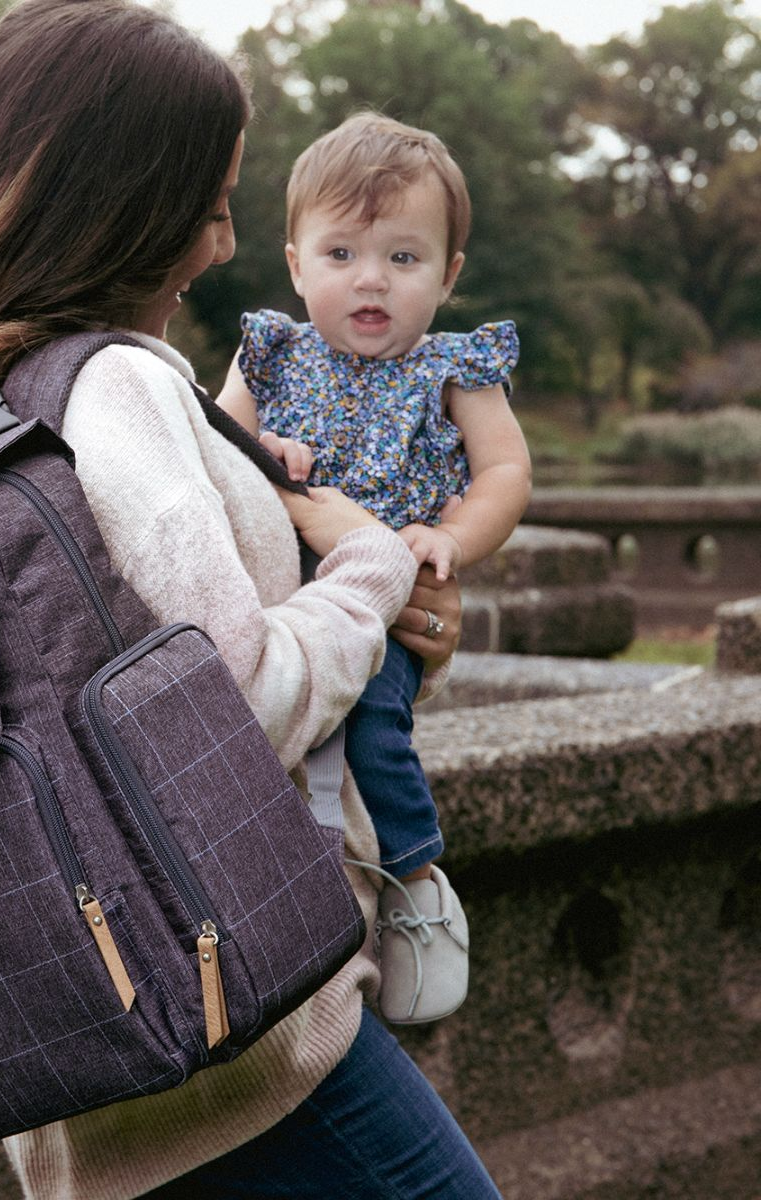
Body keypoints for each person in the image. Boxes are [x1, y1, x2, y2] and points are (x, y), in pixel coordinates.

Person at [0, 2, 502, 1196]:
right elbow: (233, 700)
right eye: (209, 203)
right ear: (129, 201)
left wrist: (399, 629)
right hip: (246, 1046)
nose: (219, 244)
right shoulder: (119, 389)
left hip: (86, 1056)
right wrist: (374, 569)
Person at [218, 112, 532, 1026]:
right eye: (343, 252)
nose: (370, 279)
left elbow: (506, 473)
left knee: (373, 728)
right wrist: (262, 447)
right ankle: (305, 879)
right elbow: (214, 441)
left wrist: (452, 540)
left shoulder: (456, 369)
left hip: (388, 591)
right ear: (295, 262)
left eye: (404, 258)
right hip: (279, 587)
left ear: (448, 274)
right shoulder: (271, 352)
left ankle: (412, 874)